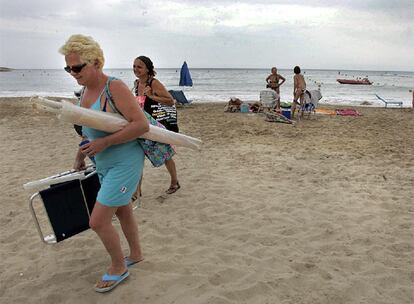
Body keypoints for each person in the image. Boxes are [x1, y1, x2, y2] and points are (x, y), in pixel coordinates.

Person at [59, 34, 149, 293]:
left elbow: (141, 125)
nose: (73, 73)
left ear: (96, 62)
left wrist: (105, 144)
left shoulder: (115, 87)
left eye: (78, 67)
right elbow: (89, 131)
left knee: (97, 221)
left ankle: (119, 267)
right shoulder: (86, 90)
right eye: (68, 68)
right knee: (122, 211)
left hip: (125, 161)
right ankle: (136, 254)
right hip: (103, 163)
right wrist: (80, 156)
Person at [132, 56, 181, 194]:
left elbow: (170, 101)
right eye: (134, 66)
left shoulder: (154, 83)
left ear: (148, 69)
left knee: (166, 154)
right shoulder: (136, 84)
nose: (136, 69)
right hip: (142, 124)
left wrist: (152, 96)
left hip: (157, 125)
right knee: (137, 156)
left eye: (139, 67)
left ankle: (174, 182)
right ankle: (137, 191)